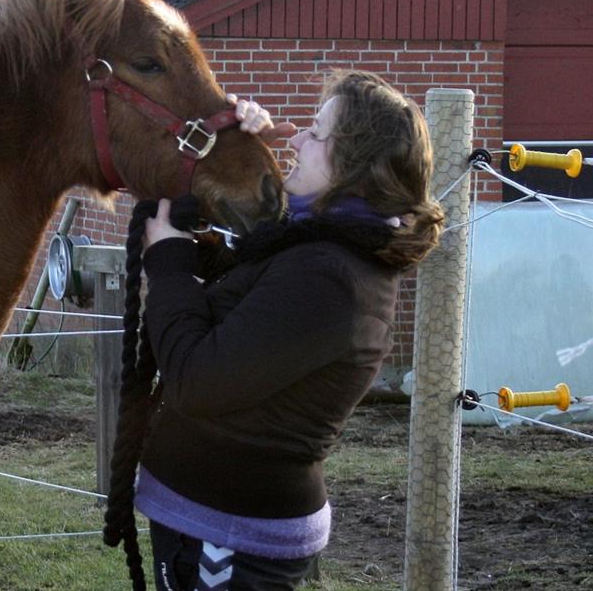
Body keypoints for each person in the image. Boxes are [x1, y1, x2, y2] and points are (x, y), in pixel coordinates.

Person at [121, 69, 444, 590]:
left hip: (229, 535)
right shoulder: (319, 250)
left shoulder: (328, 276)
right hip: (218, 523)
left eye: (314, 134)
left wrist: (171, 264)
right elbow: (247, 309)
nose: (293, 137)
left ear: (355, 170)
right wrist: (232, 162)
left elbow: (197, 379)